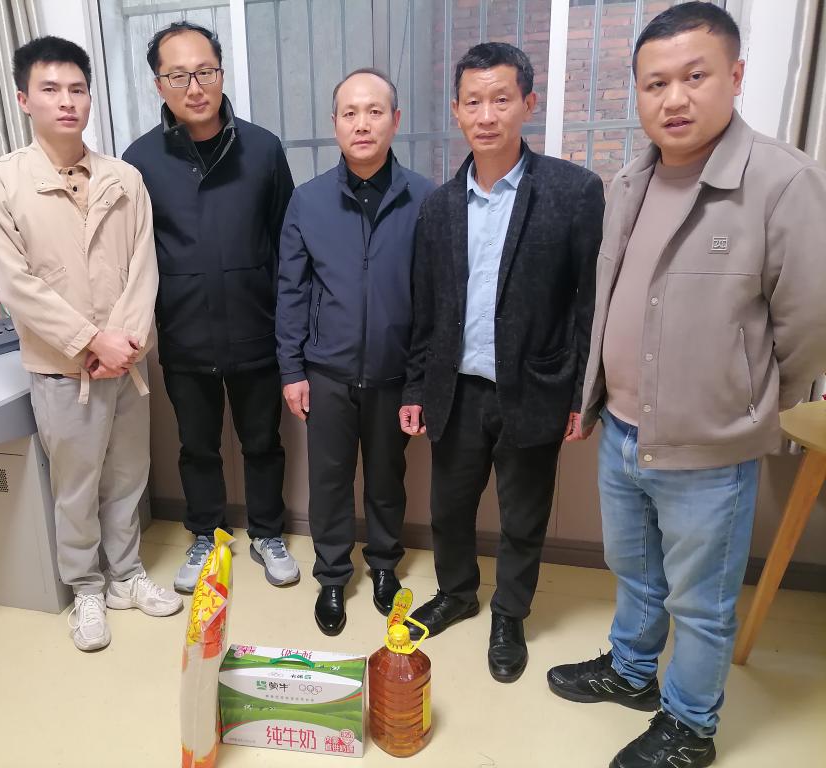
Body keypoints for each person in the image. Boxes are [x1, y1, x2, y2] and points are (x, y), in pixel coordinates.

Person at [545, 4, 826, 766]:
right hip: (624, 428)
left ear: (735, 76)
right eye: (655, 83)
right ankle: (632, 671)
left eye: (695, 76)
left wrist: (748, 399)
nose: (674, 98)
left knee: (699, 602)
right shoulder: (631, 178)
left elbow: (808, 324)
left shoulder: (782, 181)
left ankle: (690, 727)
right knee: (635, 571)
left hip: (709, 446)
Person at [400, 42, 604, 683]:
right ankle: (457, 592)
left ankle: (509, 613)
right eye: (473, 102)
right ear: (457, 111)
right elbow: (425, 309)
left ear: (527, 104)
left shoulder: (573, 192)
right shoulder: (438, 206)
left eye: (501, 99)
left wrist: (581, 394)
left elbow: (587, 304)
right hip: (456, 389)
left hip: (535, 386)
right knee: (448, 508)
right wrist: (415, 386)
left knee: (523, 515)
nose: (486, 115)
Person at [0, 36, 181, 652]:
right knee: (76, 487)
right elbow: (16, 283)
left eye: (77, 89)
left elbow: (144, 267)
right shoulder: (0, 183)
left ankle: (127, 576)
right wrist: (90, 340)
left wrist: (126, 342)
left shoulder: (125, 178)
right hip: (63, 369)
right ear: (24, 100)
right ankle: (87, 588)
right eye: (51, 89)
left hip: (128, 364)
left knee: (129, 477)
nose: (67, 101)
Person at [121, 22, 298, 593]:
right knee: (196, 447)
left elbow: (287, 242)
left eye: (205, 72)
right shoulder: (139, 161)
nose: (195, 87)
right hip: (185, 333)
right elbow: (135, 253)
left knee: (263, 443)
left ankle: (268, 532)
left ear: (221, 74)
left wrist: (289, 327)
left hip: (256, 329)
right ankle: (206, 535)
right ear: (158, 85)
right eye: (178, 76)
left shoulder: (263, 149)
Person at [276, 68, 435, 636]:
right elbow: (291, 291)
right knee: (330, 480)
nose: (362, 124)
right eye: (350, 113)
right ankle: (333, 576)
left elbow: (433, 299)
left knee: (389, 479)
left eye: (374, 111)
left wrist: (419, 382)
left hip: (395, 373)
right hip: (327, 372)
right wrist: (292, 370)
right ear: (335, 124)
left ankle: (385, 566)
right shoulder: (309, 200)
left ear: (396, 120)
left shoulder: (425, 199)